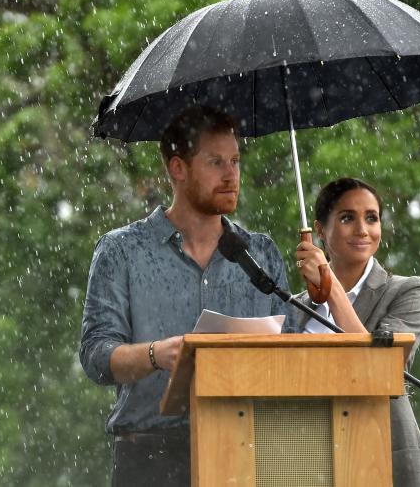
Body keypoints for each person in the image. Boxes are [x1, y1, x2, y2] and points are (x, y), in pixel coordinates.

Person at [80, 106, 297, 486]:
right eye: (216, 162)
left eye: (235, 161)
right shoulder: (121, 251)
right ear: (178, 169)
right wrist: (155, 354)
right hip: (149, 460)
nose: (231, 175)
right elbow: (96, 355)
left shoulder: (259, 253)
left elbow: (291, 355)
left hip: (245, 455)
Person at [294, 177, 420, 486]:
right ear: (319, 230)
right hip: (305, 461)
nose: (363, 229)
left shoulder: (408, 292)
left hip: (381, 461)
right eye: (347, 218)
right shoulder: (292, 310)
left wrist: (330, 289)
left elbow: (377, 368)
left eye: (371, 218)